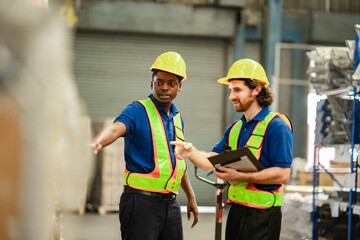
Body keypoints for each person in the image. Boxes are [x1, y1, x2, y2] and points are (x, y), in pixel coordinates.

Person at [171, 59, 293, 240]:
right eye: (231, 90)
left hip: (263, 216)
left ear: (257, 89)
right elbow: (210, 161)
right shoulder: (235, 128)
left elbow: (283, 175)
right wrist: (191, 152)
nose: (231, 97)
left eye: (237, 90)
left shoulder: (277, 126)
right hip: (237, 211)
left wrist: (242, 177)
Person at [91, 51, 199, 240]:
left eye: (171, 83)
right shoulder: (136, 110)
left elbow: (178, 163)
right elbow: (116, 129)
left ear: (179, 87)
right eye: (160, 82)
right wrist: (99, 141)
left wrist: (190, 196)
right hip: (140, 203)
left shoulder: (177, 119)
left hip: (171, 204)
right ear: (152, 83)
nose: (164, 87)